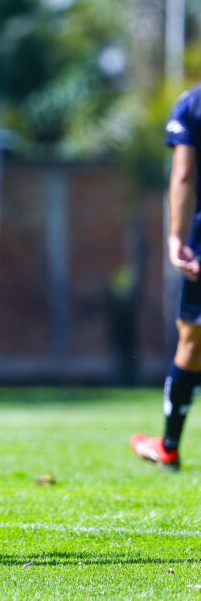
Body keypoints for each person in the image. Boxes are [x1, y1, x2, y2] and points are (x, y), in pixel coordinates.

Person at [131, 91, 201, 471]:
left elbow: (184, 173)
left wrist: (176, 237)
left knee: (191, 339)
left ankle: (169, 447)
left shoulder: (192, 104)